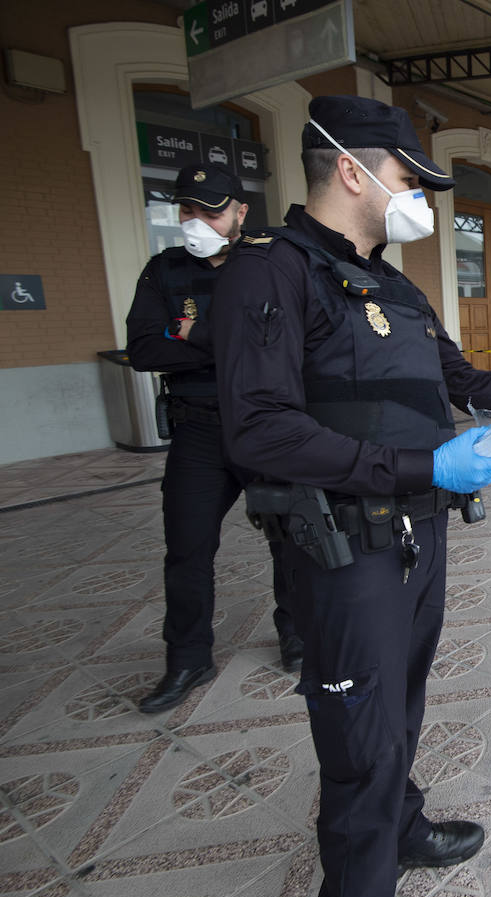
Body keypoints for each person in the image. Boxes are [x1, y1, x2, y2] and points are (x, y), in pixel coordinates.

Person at [211, 95, 491, 897]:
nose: (422, 200)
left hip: (417, 536)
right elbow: (259, 429)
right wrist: (420, 462)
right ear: (351, 169)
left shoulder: (395, 286)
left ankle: (402, 826)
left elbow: (464, 382)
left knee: (400, 704)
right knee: (360, 741)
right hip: (342, 550)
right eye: (410, 179)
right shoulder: (271, 267)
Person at [125, 162, 302, 714]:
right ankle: (187, 658)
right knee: (187, 549)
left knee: (291, 535)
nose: (197, 220)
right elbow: (145, 351)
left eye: (211, 209)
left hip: (265, 423)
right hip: (198, 429)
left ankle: (296, 636)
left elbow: (291, 345)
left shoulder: (271, 265)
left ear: (240, 211)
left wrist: (192, 331)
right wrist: (233, 341)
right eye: (187, 210)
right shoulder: (163, 270)